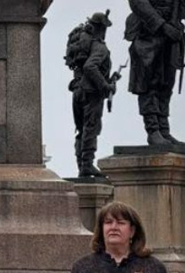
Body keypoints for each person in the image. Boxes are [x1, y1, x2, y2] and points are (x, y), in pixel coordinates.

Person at [124, 0, 185, 146]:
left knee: (166, 85)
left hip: (171, 36)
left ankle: (164, 129)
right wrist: (162, 26)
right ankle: (153, 131)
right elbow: (138, 3)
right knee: (149, 84)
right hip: (149, 34)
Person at [66, 12, 116, 178]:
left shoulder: (83, 45)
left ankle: (82, 164)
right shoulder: (99, 47)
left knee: (82, 130)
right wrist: (105, 85)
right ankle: (87, 164)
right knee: (91, 128)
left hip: (77, 91)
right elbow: (90, 67)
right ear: (101, 28)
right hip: (91, 93)